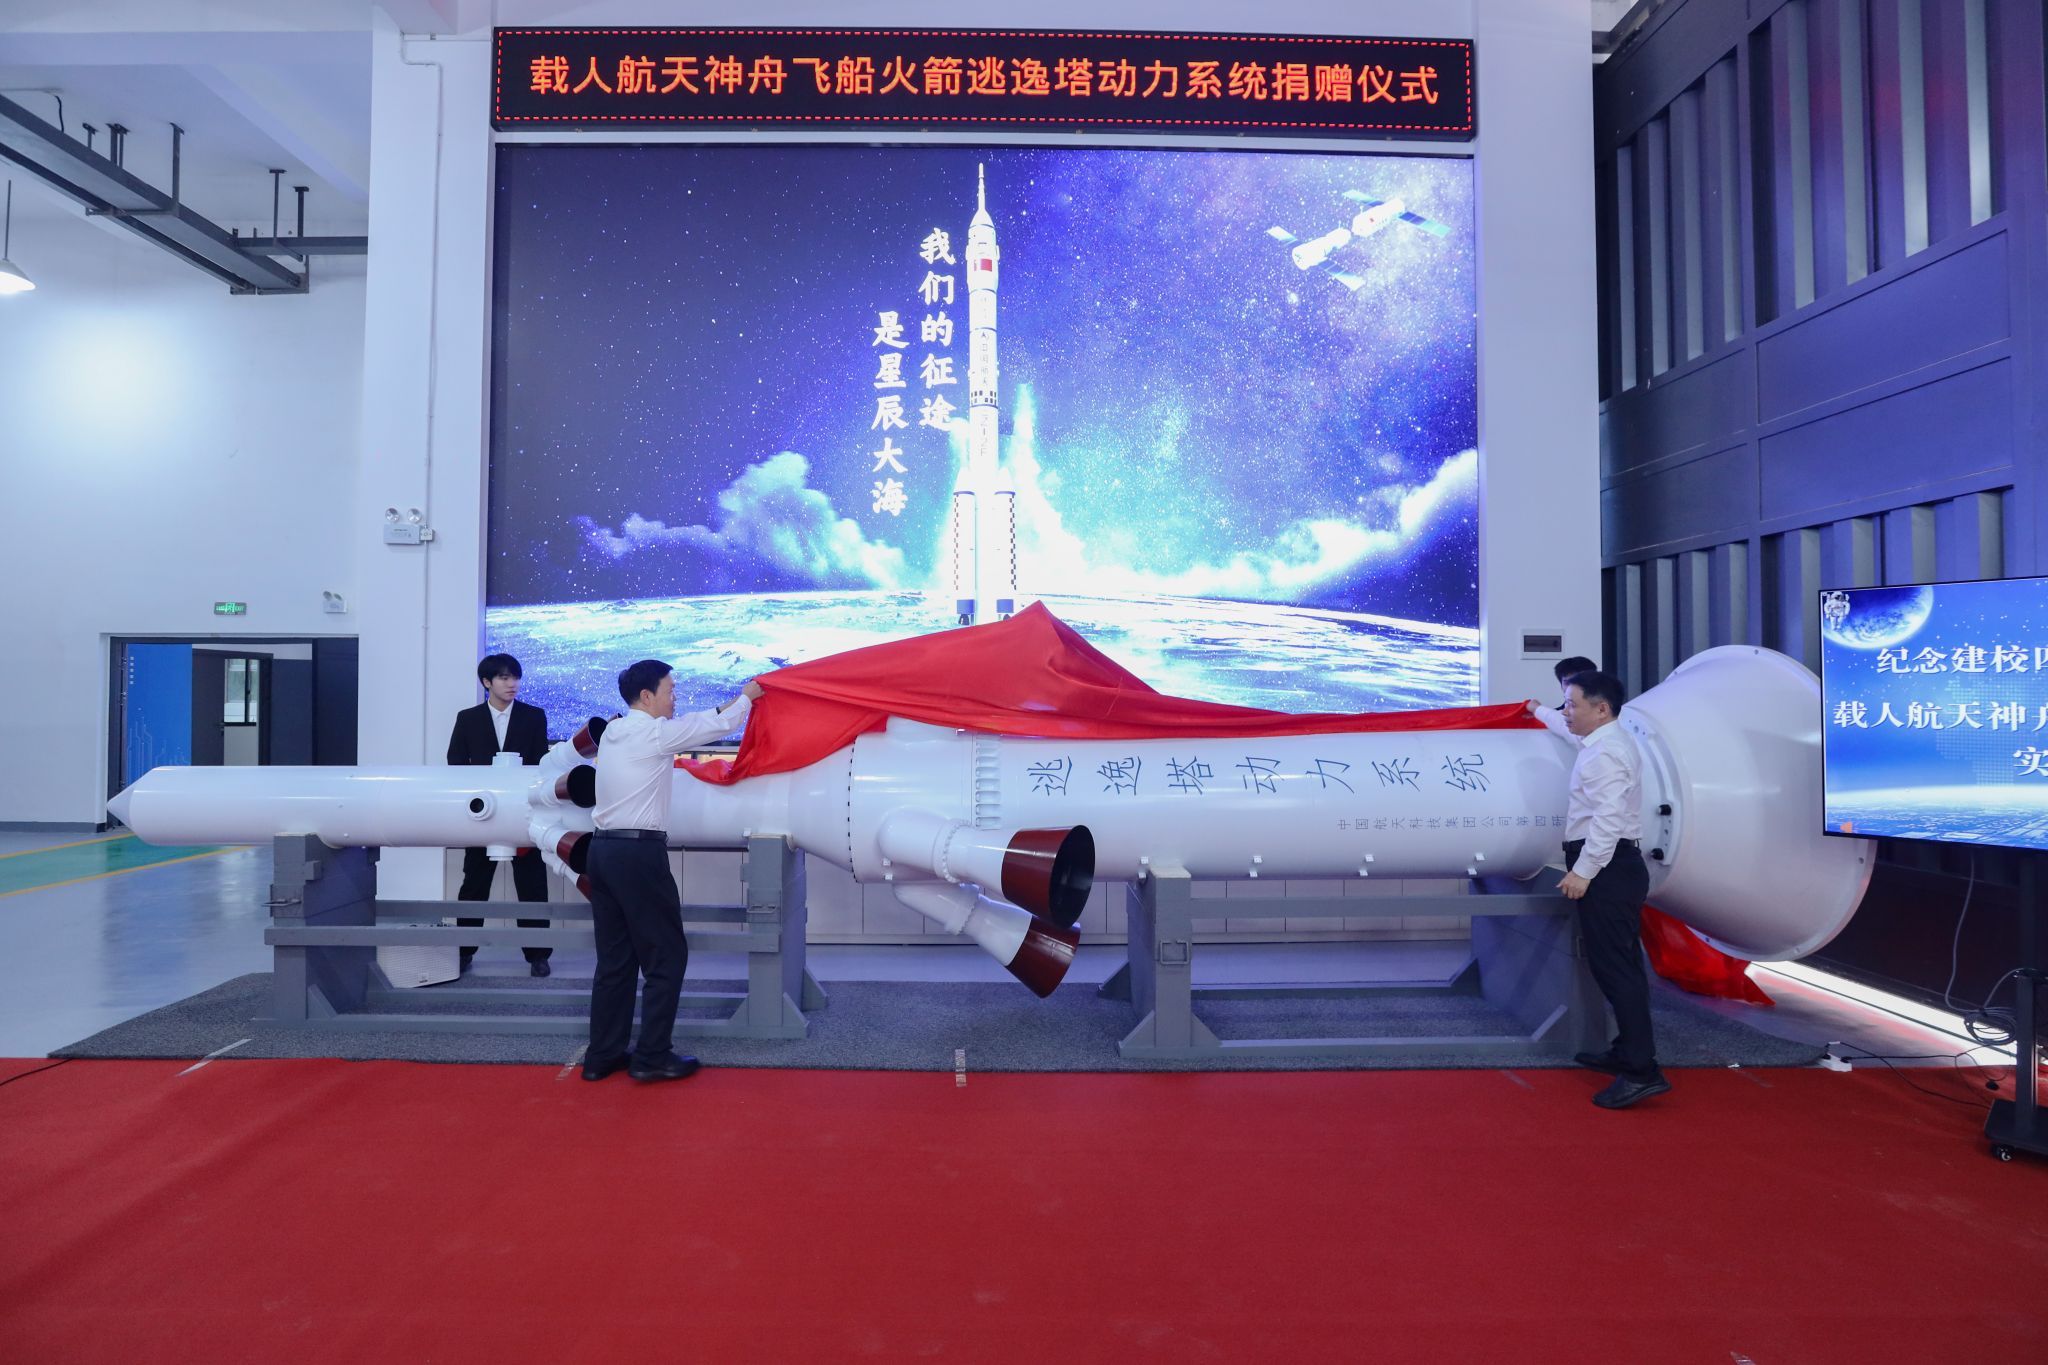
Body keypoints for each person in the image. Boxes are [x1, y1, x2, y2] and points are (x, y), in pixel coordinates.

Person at [582, 662, 762, 1084]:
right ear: (647, 696)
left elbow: (696, 722)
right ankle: (652, 1056)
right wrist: (748, 698)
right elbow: (712, 728)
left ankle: (602, 1055)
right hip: (638, 855)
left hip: (602, 852)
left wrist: (730, 704)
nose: (675, 697)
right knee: (666, 955)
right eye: (670, 690)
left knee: (615, 960)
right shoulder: (653, 734)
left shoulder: (615, 731)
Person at [1527, 670, 1669, 1109]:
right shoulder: (1599, 741)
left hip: (1608, 869)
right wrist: (1537, 711)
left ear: (1601, 709)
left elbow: (1608, 820)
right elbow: (1566, 729)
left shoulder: (1606, 753)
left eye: (1572, 704)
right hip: (1612, 867)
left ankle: (1641, 1072)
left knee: (1616, 970)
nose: (1566, 711)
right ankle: (1627, 1051)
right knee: (1619, 965)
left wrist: (1584, 872)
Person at [447, 653, 555, 976]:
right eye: (505, 678)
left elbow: (541, 764)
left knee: (532, 885)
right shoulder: (468, 718)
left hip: (523, 815)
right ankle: (464, 951)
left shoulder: (533, 716)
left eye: (515, 678)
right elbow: (455, 764)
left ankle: (538, 954)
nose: (512, 684)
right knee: (474, 885)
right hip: (482, 815)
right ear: (487, 682)